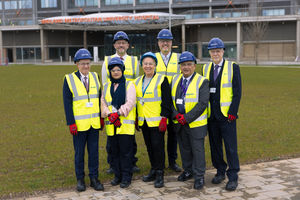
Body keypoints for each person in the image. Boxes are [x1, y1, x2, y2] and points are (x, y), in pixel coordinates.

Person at [202, 38, 242, 191]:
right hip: (212, 116)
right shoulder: (205, 69)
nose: (215, 53)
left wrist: (232, 112)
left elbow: (237, 93)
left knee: (231, 148)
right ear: (210, 53)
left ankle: (233, 176)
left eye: (218, 50)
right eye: (213, 51)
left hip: (227, 117)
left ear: (223, 51)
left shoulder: (233, 67)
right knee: (215, 147)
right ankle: (220, 171)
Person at [63, 48, 104, 192]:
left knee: (94, 153)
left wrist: (102, 117)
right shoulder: (69, 79)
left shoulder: (95, 76)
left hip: (94, 124)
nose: (86, 66)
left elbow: (100, 99)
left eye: (87, 63)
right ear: (76, 64)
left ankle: (94, 178)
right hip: (79, 126)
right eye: (82, 63)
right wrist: (71, 123)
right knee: (79, 153)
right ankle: (80, 179)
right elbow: (67, 103)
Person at [102, 31, 140, 174]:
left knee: (129, 138)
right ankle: (112, 164)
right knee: (111, 138)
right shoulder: (107, 60)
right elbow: (105, 82)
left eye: (123, 42)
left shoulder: (134, 61)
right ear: (114, 45)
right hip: (112, 101)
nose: (121, 45)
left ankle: (131, 162)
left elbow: (136, 82)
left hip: (127, 104)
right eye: (118, 42)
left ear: (128, 45)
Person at [171, 51, 209, 190]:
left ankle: (199, 176)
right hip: (180, 123)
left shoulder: (202, 81)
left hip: (195, 124)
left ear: (194, 66)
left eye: (189, 64)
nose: (186, 67)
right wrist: (176, 115)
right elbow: (171, 101)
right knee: (185, 149)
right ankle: (188, 171)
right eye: (183, 65)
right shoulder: (175, 80)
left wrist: (185, 118)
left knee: (198, 151)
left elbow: (202, 104)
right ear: (180, 66)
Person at [135, 52, 172, 188]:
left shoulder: (162, 80)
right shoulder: (137, 81)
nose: (148, 66)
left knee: (158, 147)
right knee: (149, 146)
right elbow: (136, 101)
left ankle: (160, 173)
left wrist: (164, 118)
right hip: (144, 120)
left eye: (151, 63)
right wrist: (136, 118)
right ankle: (153, 169)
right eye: (145, 63)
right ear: (142, 65)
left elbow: (167, 101)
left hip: (157, 121)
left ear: (155, 65)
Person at [101, 57, 136, 188]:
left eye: (118, 69)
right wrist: (108, 113)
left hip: (125, 125)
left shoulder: (129, 85)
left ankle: (127, 177)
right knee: (114, 152)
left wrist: (119, 113)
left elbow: (130, 102)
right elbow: (103, 103)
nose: (115, 72)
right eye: (113, 70)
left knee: (126, 153)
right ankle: (117, 175)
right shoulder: (106, 86)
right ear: (110, 72)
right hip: (112, 126)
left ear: (122, 70)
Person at [155, 29, 182, 172]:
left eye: (168, 41)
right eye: (162, 41)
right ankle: (159, 163)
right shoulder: (153, 58)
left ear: (171, 43)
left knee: (173, 134)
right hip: (158, 102)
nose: (165, 43)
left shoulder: (179, 58)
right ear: (158, 43)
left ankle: (173, 161)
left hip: (175, 101)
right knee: (158, 135)